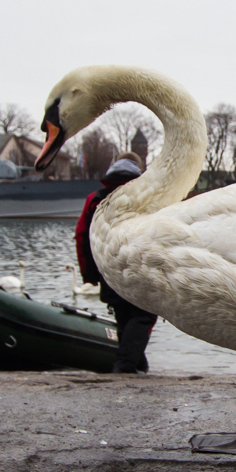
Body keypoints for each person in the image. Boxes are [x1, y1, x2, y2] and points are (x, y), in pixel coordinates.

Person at [76, 153, 157, 373]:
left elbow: (82, 235)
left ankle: (138, 365)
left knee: (123, 315)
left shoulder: (95, 199)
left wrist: (89, 274)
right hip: (139, 266)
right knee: (144, 315)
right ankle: (124, 366)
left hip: (107, 267)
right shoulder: (146, 197)